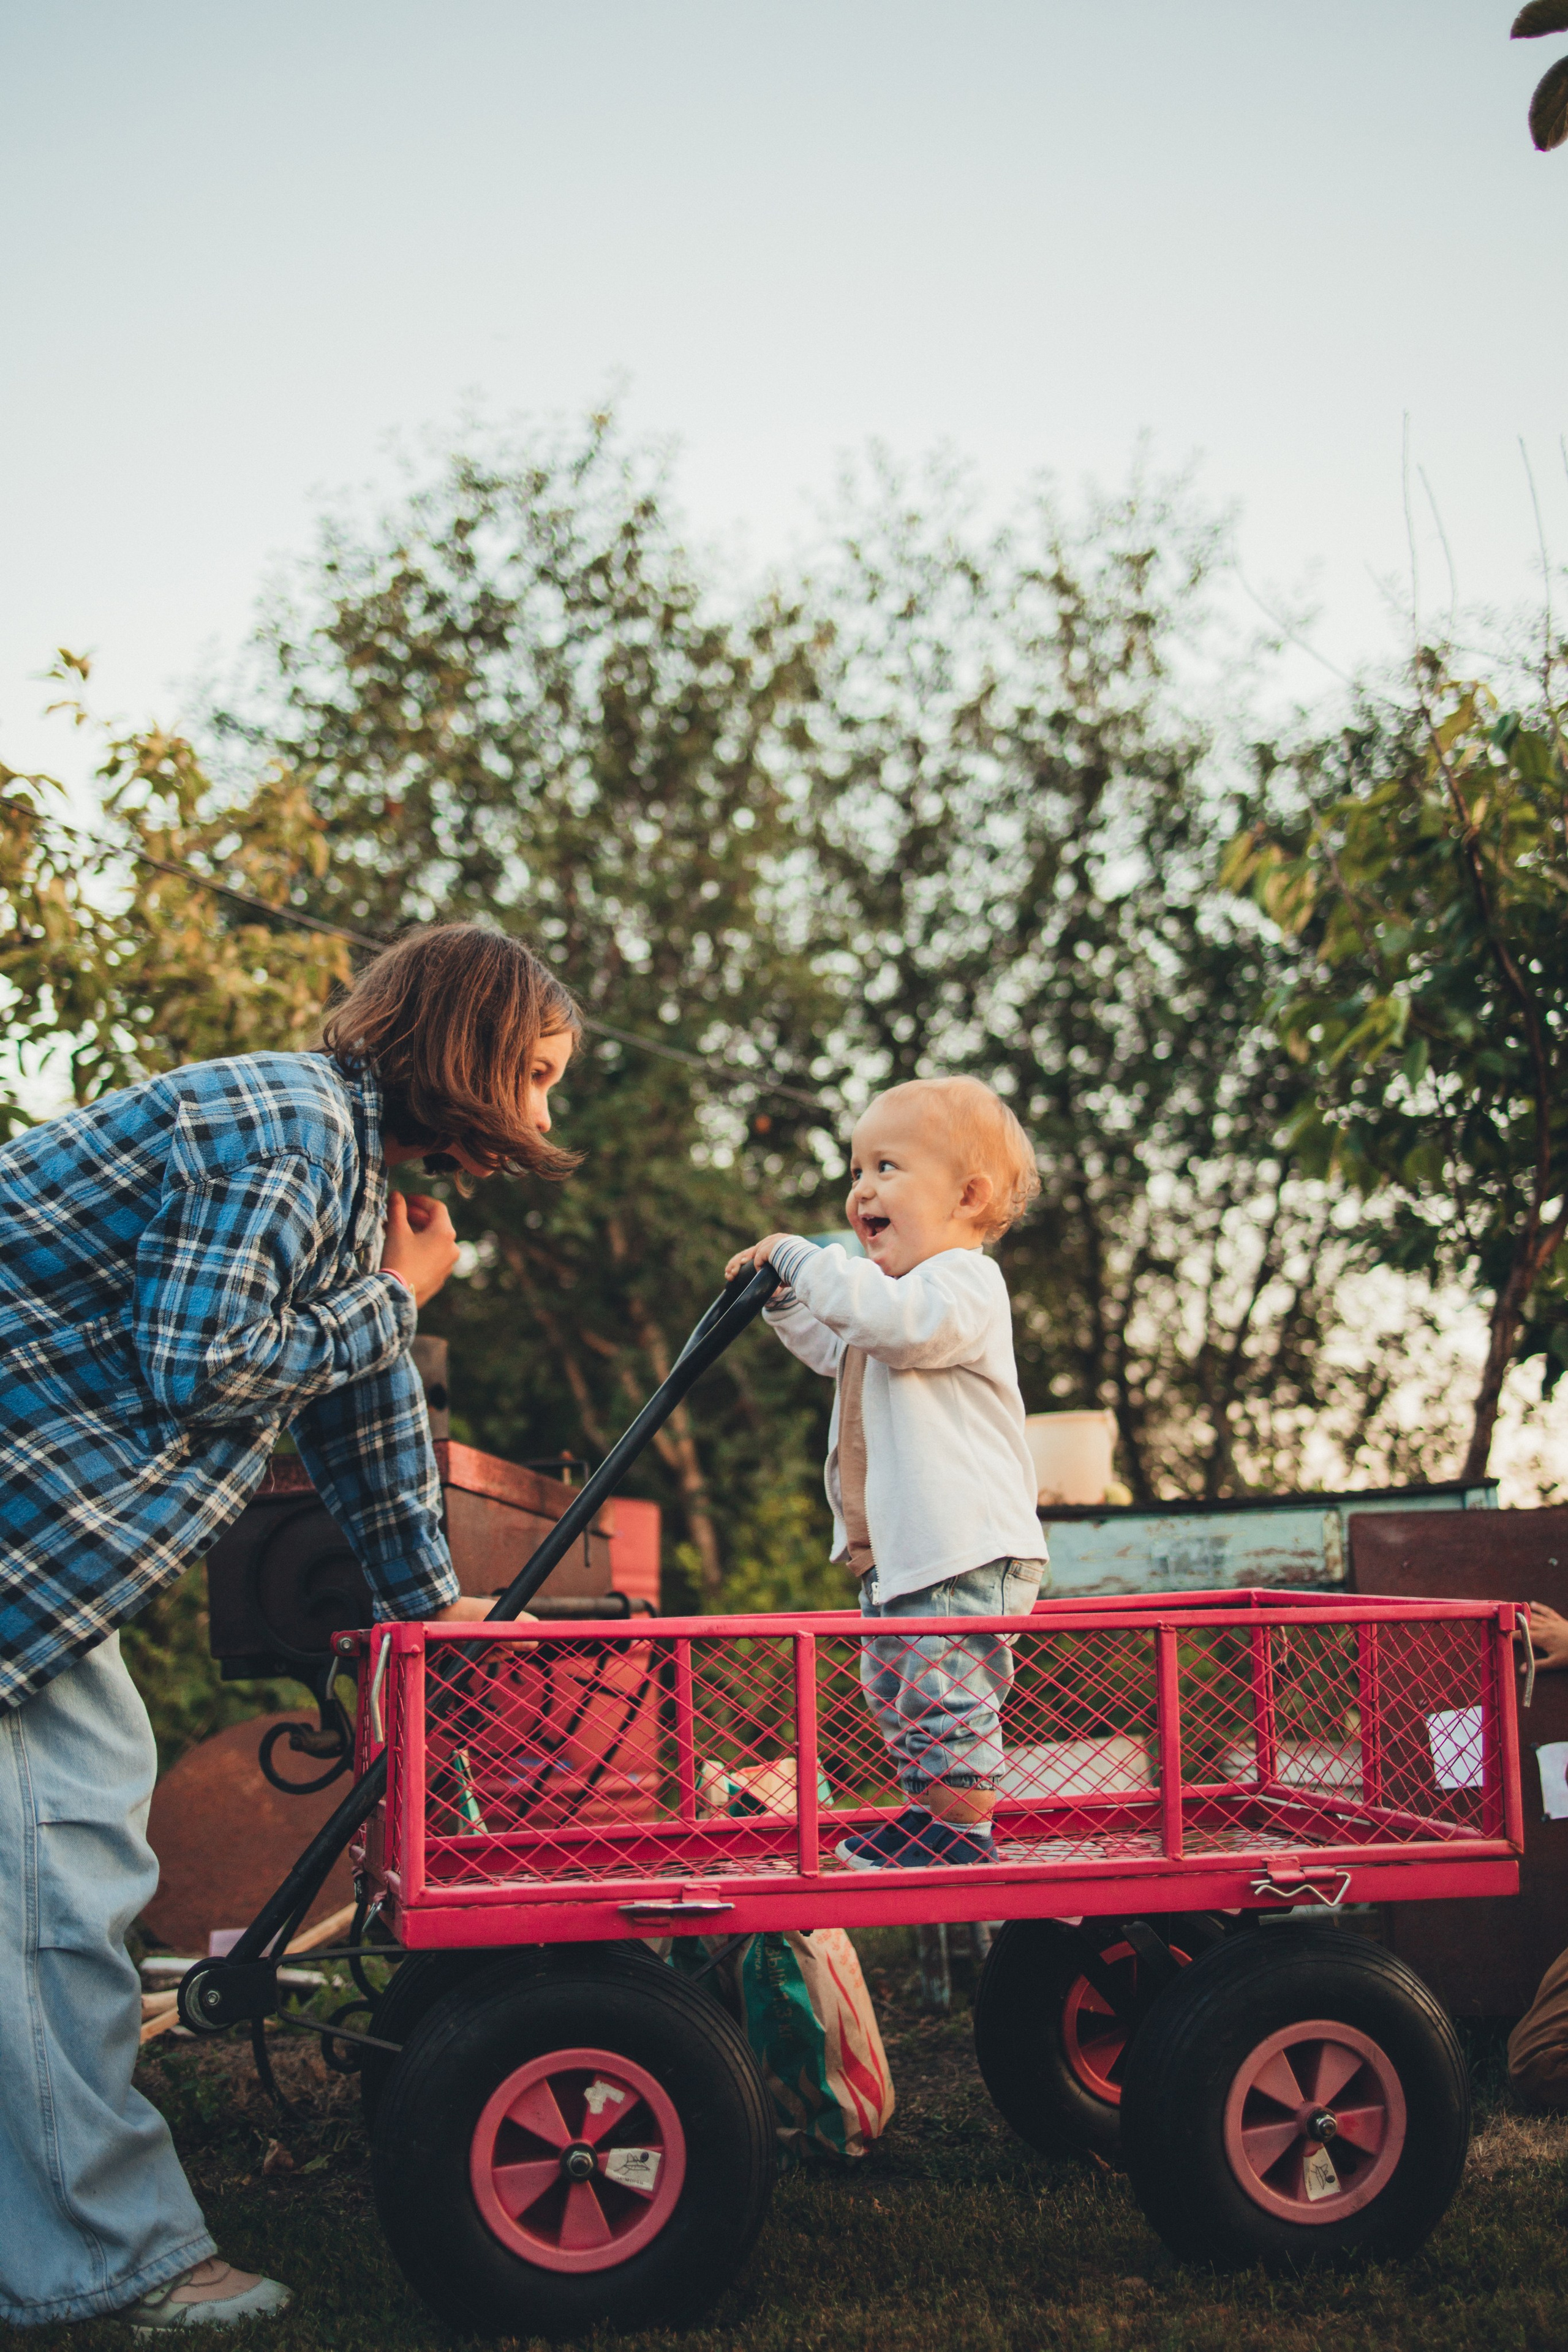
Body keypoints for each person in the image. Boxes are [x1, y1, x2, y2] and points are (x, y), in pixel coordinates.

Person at [0, 924, 579, 2329]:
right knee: (57, 1883)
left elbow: (361, 1412)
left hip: (38, 1548)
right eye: (541, 1079)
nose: (543, 1118)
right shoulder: (288, 1131)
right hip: (22, 1531)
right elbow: (200, 1366)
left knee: (69, 1855)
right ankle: (109, 2260)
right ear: (473, 1052)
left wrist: (424, 1607)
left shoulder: (339, 1159)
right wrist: (395, 1299)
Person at [726, 1075, 1047, 1868]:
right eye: (856, 1171)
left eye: (886, 1169)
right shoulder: (897, 1300)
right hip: (909, 1551)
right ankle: (930, 1815)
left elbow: (887, 1325)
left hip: (963, 1544)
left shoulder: (962, 1285)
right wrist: (783, 1301)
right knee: (901, 1694)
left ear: (968, 1197)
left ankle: (959, 1833)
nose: (861, 1190)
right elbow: (842, 1347)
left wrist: (801, 1258)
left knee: (944, 1693)